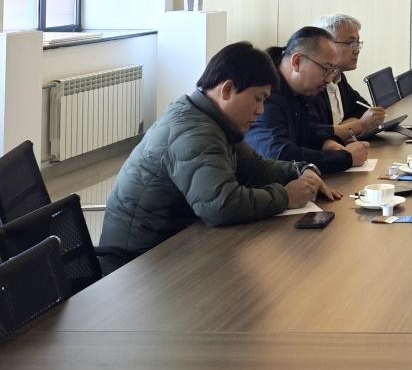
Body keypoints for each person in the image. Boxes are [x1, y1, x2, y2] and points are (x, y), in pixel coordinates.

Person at [97, 42, 343, 274]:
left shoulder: (214, 122)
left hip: (176, 249)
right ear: (227, 90)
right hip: (136, 266)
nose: (261, 110)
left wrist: (300, 169)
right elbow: (221, 206)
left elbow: (256, 169)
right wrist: (286, 197)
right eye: (258, 99)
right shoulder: (193, 131)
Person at [246, 26, 370, 173]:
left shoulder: (302, 91)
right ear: (297, 61)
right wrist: (345, 158)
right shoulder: (266, 94)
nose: (329, 79)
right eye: (325, 69)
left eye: (332, 71)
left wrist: (325, 143)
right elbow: (280, 154)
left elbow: (307, 131)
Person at [313, 14, 387, 141]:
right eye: (351, 43)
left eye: (358, 43)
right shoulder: (313, 85)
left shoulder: (340, 79)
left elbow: (364, 110)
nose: (357, 50)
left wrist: (341, 129)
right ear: (327, 45)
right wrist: (356, 126)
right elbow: (317, 135)